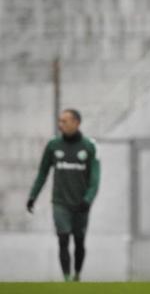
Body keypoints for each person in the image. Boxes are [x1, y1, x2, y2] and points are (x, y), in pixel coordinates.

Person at [26, 109, 100, 282]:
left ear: (76, 123)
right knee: (63, 238)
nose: (61, 125)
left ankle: (77, 275)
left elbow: (95, 179)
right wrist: (32, 196)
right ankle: (66, 279)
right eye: (60, 121)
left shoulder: (89, 146)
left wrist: (88, 199)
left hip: (81, 203)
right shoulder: (53, 145)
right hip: (60, 202)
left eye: (65, 121)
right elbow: (42, 173)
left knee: (79, 242)